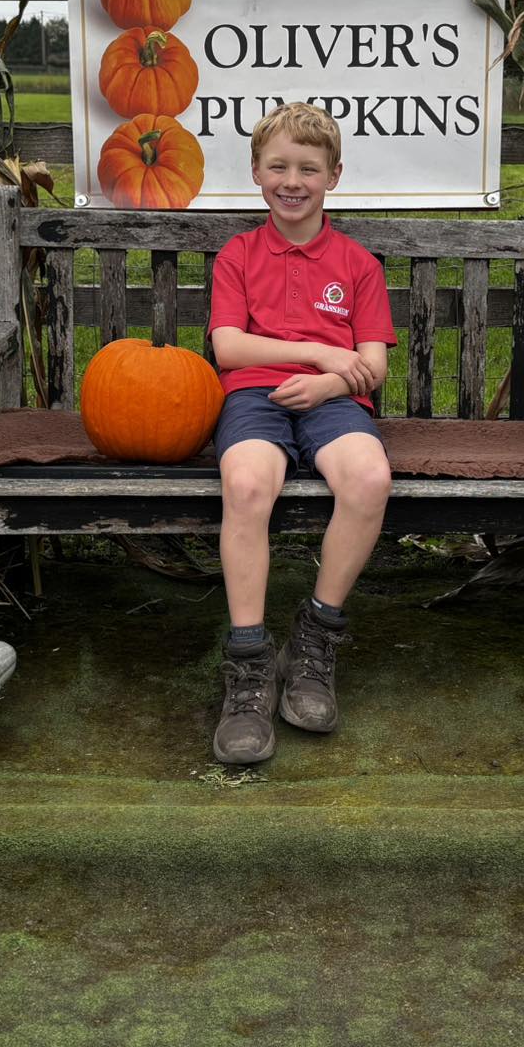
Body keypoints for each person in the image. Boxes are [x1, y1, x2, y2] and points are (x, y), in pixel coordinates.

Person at [205, 101, 396, 765]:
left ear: (333, 176)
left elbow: (372, 365)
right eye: (278, 166)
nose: (293, 180)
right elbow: (227, 348)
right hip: (255, 394)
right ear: (256, 172)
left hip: (333, 403)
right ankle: (250, 664)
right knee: (248, 483)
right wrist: (316, 354)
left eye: (308, 169)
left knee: (370, 478)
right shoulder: (239, 255)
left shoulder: (357, 264)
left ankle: (314, 640)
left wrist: (330, 384)